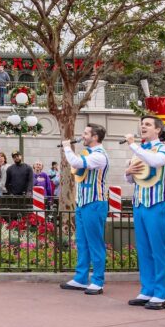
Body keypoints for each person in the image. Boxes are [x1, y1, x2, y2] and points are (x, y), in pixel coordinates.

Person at [125, 116, 165, 310]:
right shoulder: (139, 150)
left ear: (158, 130)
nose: (143, 127)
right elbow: (130, 179)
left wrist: (133, 145)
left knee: (158, 249)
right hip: (139, 203)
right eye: (142, 124)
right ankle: (146, 290)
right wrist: (128, 171)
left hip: (157, 203)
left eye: (147, 124)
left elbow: (154, 162)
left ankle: (161, 294)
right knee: (144, 249)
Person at [60, 124, 110, 295]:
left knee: (95, 243)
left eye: (86, 133)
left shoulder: (99, 155)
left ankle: (97, 280)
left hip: (95, 203)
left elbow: (76, 162)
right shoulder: (89, 153)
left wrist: (67, 148)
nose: (82, 136)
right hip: (83, 203)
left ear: (95, 137)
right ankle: (81, 278)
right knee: (82, 242)